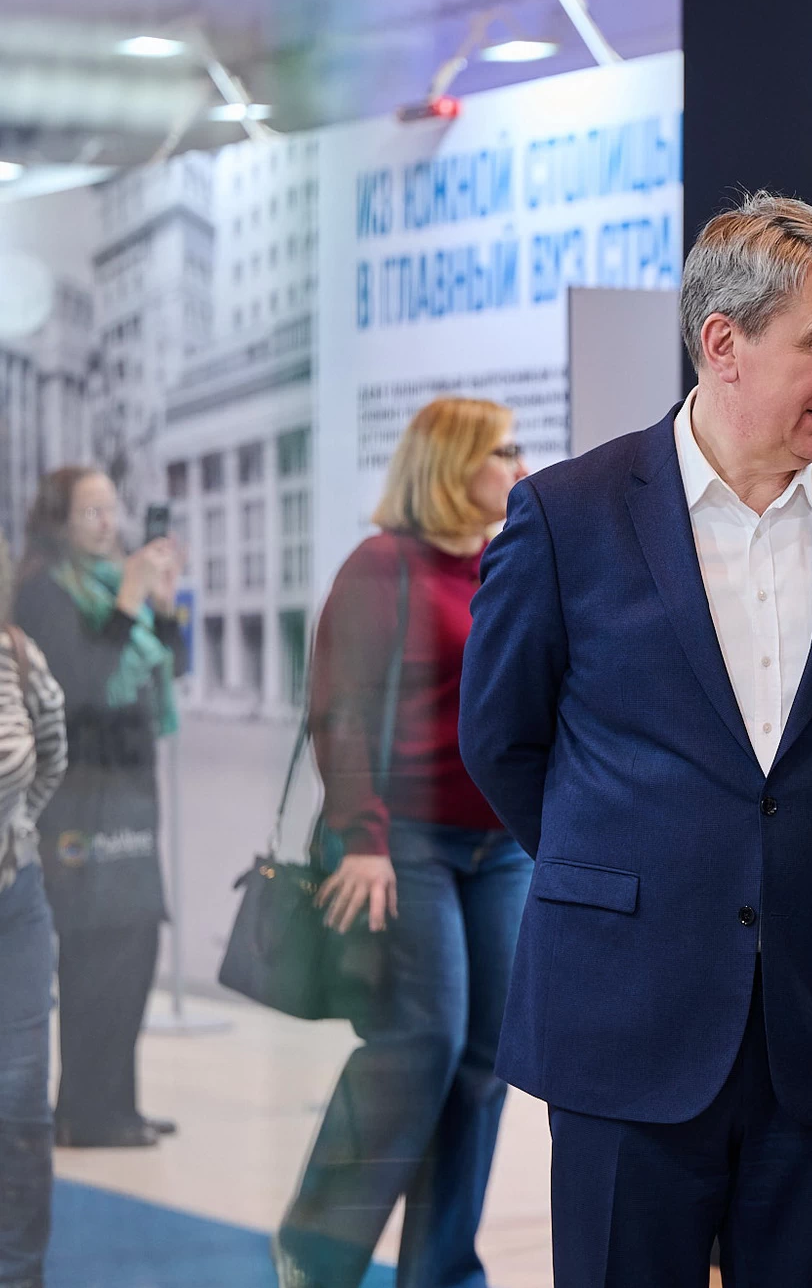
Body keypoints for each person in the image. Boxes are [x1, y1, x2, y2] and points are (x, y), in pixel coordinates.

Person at [460, 192, 812, 1288]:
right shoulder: (566, 516)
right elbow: (500, 739)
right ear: (723, 343)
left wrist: (795, 854)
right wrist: (637, 863)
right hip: (624, 1012)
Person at [271, 397, 534, 1288]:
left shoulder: (508, 560)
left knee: (486, 1060)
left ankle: (444, 1271)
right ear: (450, 464)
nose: (521, 464)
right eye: (502, 450)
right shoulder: (382, 566)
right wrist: (365, 836)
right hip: (406, 838)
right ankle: (315, 1251)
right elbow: (340, 711)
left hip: (501, 845)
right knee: (422, 1039)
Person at [14, 467, 184, 1150]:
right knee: (95, 954)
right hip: (80, 800)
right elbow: (79, 685)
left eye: (111, 509)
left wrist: (161, 606)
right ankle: (85, 1112)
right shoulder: (42, 592)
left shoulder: (115, 582)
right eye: (90, 511)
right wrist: (130, 601)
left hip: (130, 791)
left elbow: (168, 669)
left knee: (135, 948)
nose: (107, 524)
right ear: (58, 519)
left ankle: (117, 1103)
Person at [0, 532, 67, 1288]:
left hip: (13, 898)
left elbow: (50, 756)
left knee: (20, 1102)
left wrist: (12, 833)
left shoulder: (17, 655)